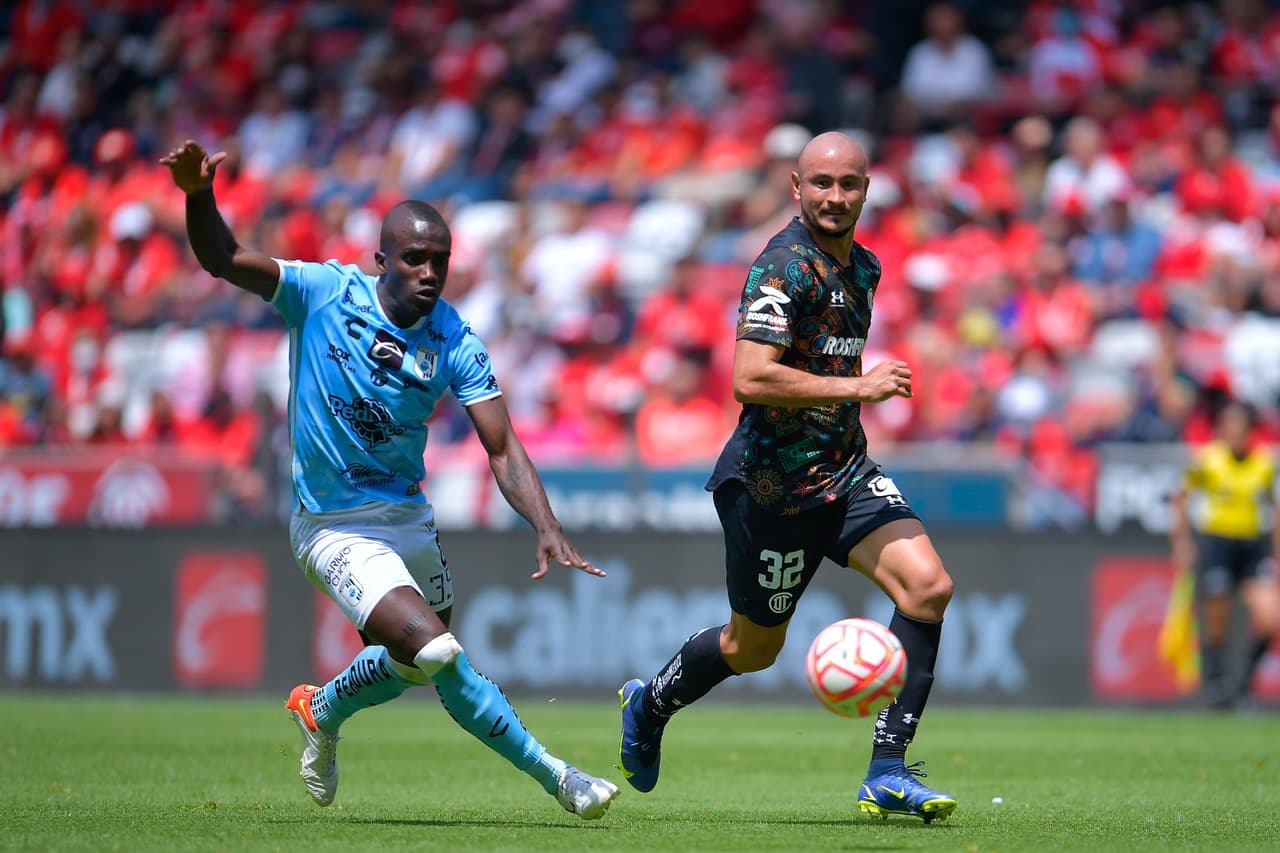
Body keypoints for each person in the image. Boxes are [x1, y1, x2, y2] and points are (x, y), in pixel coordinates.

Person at [160, 140, 620, 819]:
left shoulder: (454, 338)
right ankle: (559, 776)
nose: (430, 272)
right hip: (332, 526)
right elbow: (225, 260)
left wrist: (546, 525)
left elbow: (502, 444)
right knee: (437, 648)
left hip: (407, 518)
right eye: (414, 258)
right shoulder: (321, 294)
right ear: (382, 260)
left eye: (440, 260)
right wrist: (200, 194)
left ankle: (320, 709)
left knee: (418, 660)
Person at [617, 131, 958, 823]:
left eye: (850, 184)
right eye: (822, 183)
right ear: (797, 189)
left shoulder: (864, 266)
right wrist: (858, 387)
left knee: (929, 586)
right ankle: (649, 704)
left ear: (868, 190)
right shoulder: (782, 268)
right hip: (772, 488)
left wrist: (849, 398)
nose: (836, 197)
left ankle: (888, 770)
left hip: (847, 470)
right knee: (754, 648)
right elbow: (750, 375)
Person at [1169, 400, 1280, 709]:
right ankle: (1217, 684)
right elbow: (1180, 497)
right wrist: (1181, 542)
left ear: (1251, 431)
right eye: (1228, 426)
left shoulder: (1264, 464)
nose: (1234, 433)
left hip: (1253, 545)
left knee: (1270, 618)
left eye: (1240, 427)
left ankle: (1243, 683)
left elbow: (1275, 509)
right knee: (1218, 619)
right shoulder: (1207, 460)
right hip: (1218, 542)